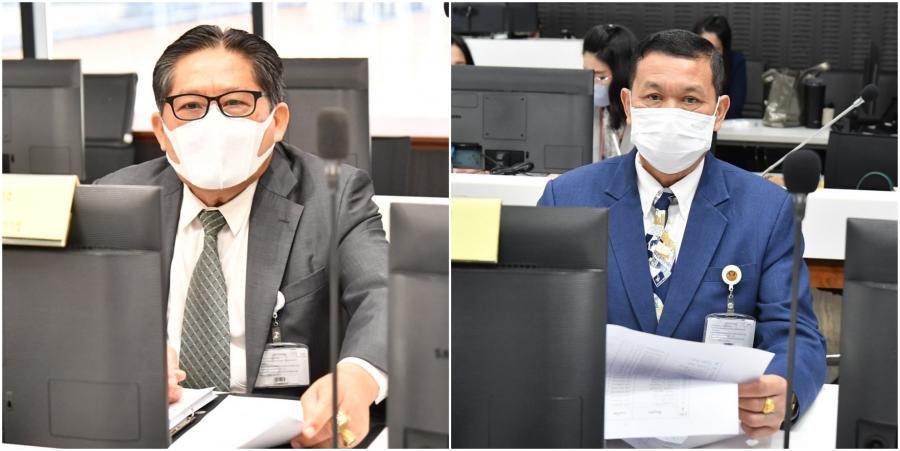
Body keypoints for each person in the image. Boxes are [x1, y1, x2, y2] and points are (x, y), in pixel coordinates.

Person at [97, 25, 387, 448]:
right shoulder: (114, 200)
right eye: (191, 106)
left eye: (235, 103)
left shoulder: (335, 196)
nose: (213, 123)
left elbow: (385, 295)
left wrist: (360, 376)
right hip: (150, 431)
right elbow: (64, 317)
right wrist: (123, 359)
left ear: (277, 121)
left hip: (286, 436)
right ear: (161, 131)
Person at [538, 29, 826, 439]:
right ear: (628, 104)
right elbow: (535, 325)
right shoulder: (568, 198)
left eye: (690, 100)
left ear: (719, 112)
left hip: (719, 436)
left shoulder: (766, 210)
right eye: (654, 97)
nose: (670, 113)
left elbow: (796, 334)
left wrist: (784, 393)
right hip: (595, 430)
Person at [582, 24, 637, 161]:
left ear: (622, 75)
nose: (592, 83)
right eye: (587, 74)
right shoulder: (583, 111)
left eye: (601, 77)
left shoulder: (643, 114)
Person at [694, 15, 747, 119]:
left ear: (724, 49)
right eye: (703, 48)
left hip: (725, 121)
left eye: (715, 49)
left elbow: (735, 106)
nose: (709, 54)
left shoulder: (735, 61)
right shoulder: (686, 62)